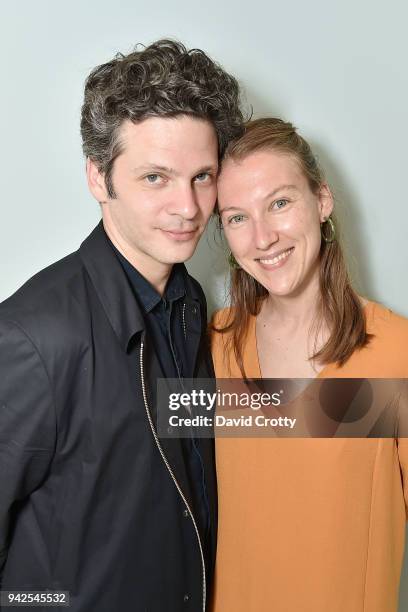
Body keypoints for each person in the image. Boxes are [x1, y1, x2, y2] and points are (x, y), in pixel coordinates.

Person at [0, 40, 244, 611]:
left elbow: (190, 445)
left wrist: (376, 403)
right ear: (98, 178)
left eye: (202, 176)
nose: (187, 207)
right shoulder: (31, 338)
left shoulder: (190, 302)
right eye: (155, 178)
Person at [210, 118, 408, 612]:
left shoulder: (394, 353)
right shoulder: (210, 346)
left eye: (279, 202)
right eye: (237, 217)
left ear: (321, 200)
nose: (263, 238)